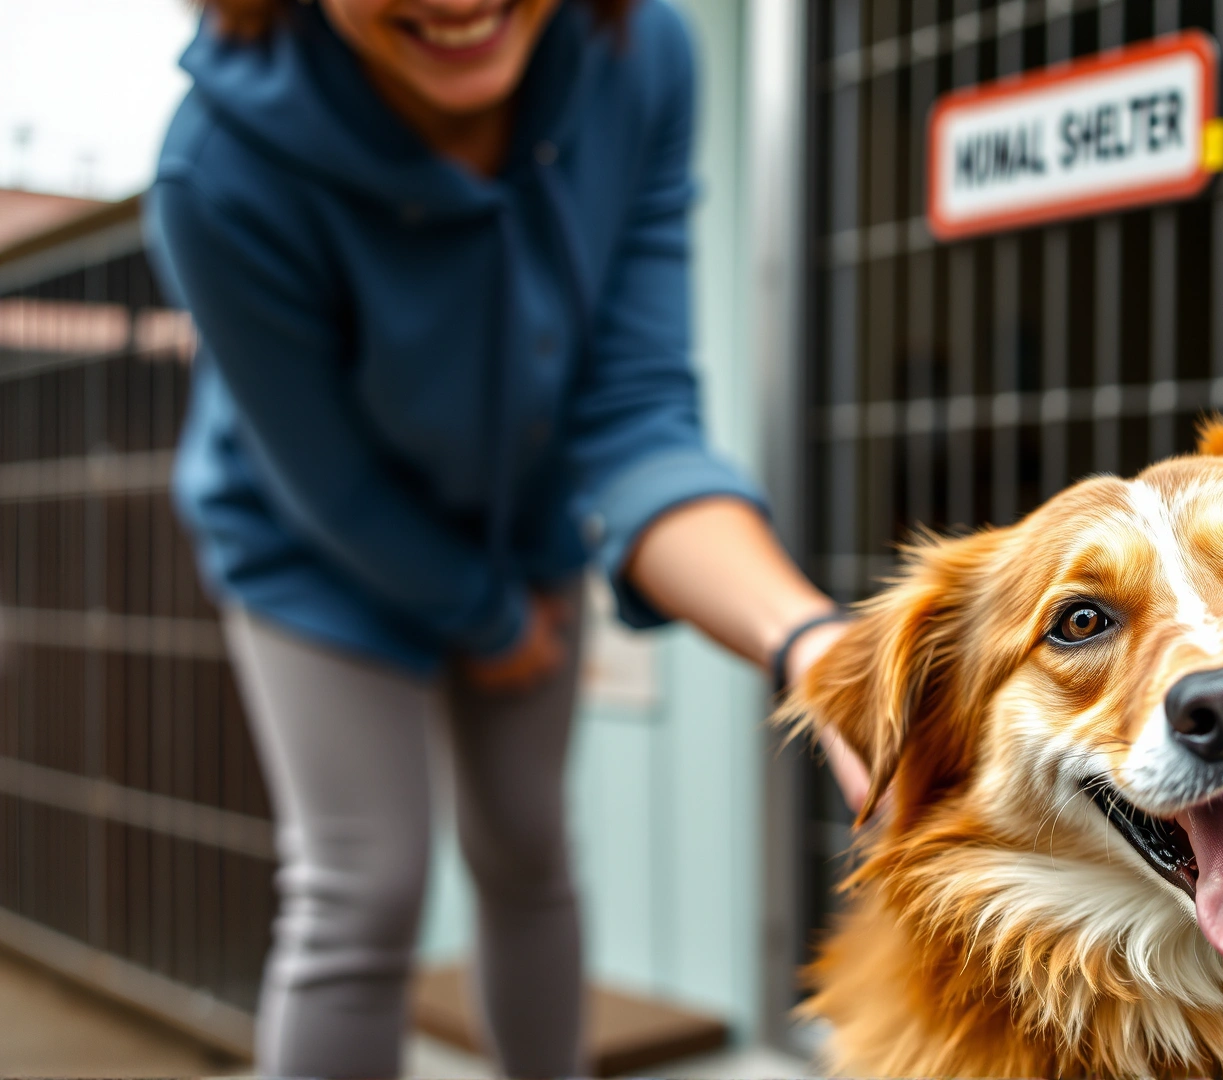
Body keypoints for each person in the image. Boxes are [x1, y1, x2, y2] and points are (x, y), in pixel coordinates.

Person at [144, 0, 864, 1074]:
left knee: (528, 847)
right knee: (362, 885)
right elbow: (327, 484)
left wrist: (816, 647)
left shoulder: (643, 56)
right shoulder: (214, 175)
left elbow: (635, 420)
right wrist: (481, 618)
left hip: (523, 527)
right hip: (310, 549)